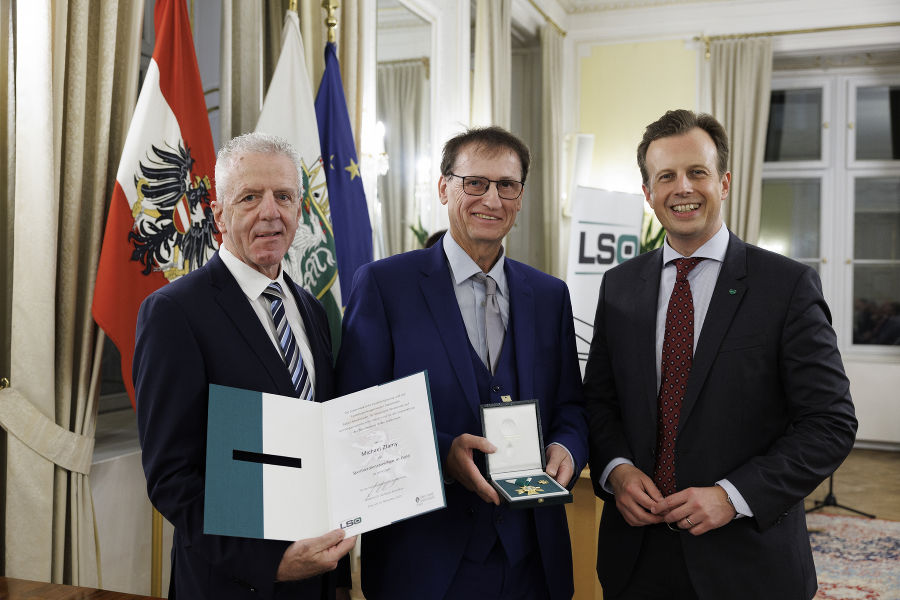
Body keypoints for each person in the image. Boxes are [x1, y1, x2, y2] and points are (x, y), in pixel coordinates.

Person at [583, 109, 857, 599]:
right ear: (648, 194)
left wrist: (734, 497)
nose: (682, 187)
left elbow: (830, 422)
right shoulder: (620, 287)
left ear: (724, 182)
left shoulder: (786, 285)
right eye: (665, 176)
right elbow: (600, 403)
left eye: (697, 172)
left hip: (747, 561)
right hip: (636, 558)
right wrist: (617, 472)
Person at [336, 126, 588, 600]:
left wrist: (567, 449)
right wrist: (443, 454)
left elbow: (571, 406)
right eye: (475, 183)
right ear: (443, 187)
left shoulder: (550, 295)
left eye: (506, 186)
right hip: (424, 561)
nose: (491, 199)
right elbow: (353, 421)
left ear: (520, 197)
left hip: (533, 560)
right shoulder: (384, 287)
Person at [134, 133, 355, 599]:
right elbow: (171, 477)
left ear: (300, 210)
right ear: (218, 215)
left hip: (316, 576)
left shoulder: (312, 310)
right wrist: (269, 563)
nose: (270, 212)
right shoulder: (175, 312)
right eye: (250, 197)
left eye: (284, 196)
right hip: (230, 583)